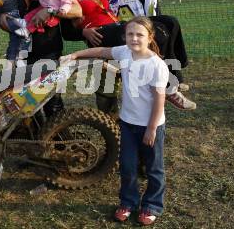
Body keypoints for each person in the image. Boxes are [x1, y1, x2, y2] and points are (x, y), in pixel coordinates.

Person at [67, 16, 169, 226]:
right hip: (127, 123)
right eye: (130, 34)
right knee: (127, 166)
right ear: (125, 36)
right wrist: (76, 54)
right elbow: (101, 51)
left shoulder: (157, 65)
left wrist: (151, 129)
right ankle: (128, 202)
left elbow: (159, 100)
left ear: (150, 37)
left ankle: (151, 205)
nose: (134, 38)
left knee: (154, 168)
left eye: (140, 34)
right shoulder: (124, 52)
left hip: (151, 125)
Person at [92, 0, 196, 111]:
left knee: (171, 22)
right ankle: (111, 121)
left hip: (142, 36)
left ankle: (175, 76)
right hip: (118, 38)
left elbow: (154, 21)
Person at [6, 0, 82, 117]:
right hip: (24, 54)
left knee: (51, 103)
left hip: (48, 51)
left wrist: (49, 10)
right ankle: (38, 142)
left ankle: (60, 142)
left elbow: (77, 10)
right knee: (26, 103)